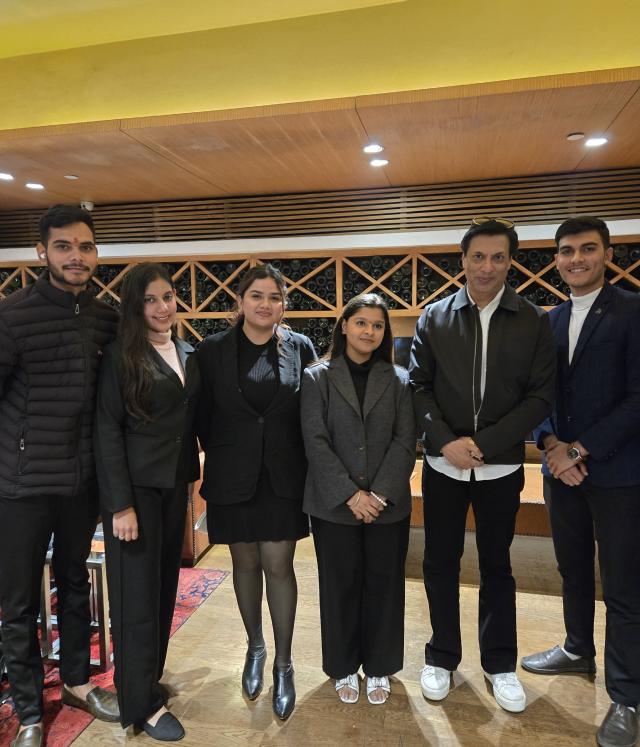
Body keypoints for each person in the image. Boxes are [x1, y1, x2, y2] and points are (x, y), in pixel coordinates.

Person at [409, 217, 555, 714]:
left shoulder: (533, 319)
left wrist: (484, 443)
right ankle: (441, 656)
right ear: (463, 261)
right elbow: (418, 387)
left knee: (497, 565)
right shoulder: (435, 317)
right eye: (478, 256)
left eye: (498, 257)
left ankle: (499, 663)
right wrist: (445, 442)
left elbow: (539, 397)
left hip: (500, 468)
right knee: (439, 562)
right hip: (443, 465)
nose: (487, 266)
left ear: (510, 261)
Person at [0, 204, 120, 747]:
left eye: (86, 247)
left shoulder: (105, 318)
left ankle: (76, 682)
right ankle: (29, 710)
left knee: (75, 585)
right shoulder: (13, 315)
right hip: (20, 486)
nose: (77, 256)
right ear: (42, 252)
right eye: (65, 246)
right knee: (20, 600)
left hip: (81, 482)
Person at [520, 217, 640, 747]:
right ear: (556, 260)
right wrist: (550, 444)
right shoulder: (549, 320)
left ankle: (627, 695)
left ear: (608, 255)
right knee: (571, 568)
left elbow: (638, 398)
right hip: (560, 470)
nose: (576, 259)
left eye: (588, 249)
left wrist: (579, 449)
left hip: (618, 472)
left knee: (624, 585)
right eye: (566, 251)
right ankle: (575, 648)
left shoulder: (633, 311)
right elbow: (537, 394)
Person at [196, 264, 315, 720]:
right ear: (240, 300)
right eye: (257, 296)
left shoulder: (300, 346)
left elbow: (310, 411)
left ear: (284, 303)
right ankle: (255, 647)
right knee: (244, 563)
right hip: (232, 475)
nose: (266, 304)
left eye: (275, 297)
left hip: (284, 476)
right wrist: (229, 452)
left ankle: (284, 663)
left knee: (278, 565)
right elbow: (202, 415)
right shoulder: (212, 350)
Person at [94, 263, 200, 741]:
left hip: (173, 486)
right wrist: (120, 505)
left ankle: (147, 681)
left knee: (161, 590)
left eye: (168, 297)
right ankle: (140, 706)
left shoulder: (186, 351)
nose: (162, 307)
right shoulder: (120, 355)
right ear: (135, 306)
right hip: (134, 494)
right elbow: (107, 431)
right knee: (135, 597)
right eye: (151, 300)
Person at [300, 293, 415, 706]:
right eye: (361, 322)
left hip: (388, 505)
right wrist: (351, 494)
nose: (369, 331)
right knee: (339, 586)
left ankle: (381, 665)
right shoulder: (316, 377)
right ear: (345, 326)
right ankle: (343, 665)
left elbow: (406, 440)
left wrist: (378, 494)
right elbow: (314, 440)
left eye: (378, 325)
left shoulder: (399, 379)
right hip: (334, 505)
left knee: (385, 585)